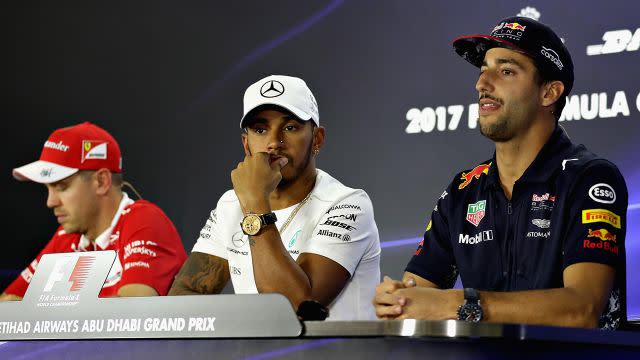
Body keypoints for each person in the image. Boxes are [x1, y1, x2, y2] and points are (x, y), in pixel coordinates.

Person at [374, 16, 627, 329]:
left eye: (505, 71)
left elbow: (581, 309)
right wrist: (396, 301)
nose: (482, 84)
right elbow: (416, 293)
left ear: (549, 93)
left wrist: (462, 303)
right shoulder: (463, 191)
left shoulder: (590, 178)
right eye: (483, 71)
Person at [169, 75, 381, 320]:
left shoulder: (348, 204)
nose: (273, 143)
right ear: (246, 144)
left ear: (317, 139)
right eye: (260, 129)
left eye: (290, 128)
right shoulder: (230, 204)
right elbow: (184, 296)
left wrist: (255, 201)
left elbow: (297, 308)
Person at [0, 122, 187, 299]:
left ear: (101, 181)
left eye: (62, 187)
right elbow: (8, 304)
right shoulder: (68, 236)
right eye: (47, 188)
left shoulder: (144, 220)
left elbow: (133, 314)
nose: (50, 202)